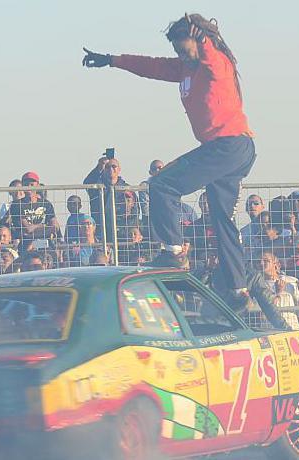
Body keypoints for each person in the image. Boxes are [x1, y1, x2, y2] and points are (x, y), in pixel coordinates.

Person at [83, 13, 256, 307]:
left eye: (185, 50)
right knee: (221, 219)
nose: (181, 56)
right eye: (177, 51)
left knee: (162, 184)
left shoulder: (217, 64)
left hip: (229, 146)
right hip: (226, 150)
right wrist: (112, 60)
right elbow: (149, 66)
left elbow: (211, 58)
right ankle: (239, 291)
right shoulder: (183, 68)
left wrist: (202, 41)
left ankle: (174, 251)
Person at [83, 155, 136, 241]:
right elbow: (87, 183)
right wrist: (98, 168)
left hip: (123, 233)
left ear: (119, 169)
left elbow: (135, 212)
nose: (111, 169)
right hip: (101, 233)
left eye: (114, 166)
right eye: (107, 167)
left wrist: (132, 228)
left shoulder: (127, 189)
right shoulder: (97, 188)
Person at [8, 172, 61, 249]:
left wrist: (35, 227)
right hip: (26, 245)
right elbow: (28, 229)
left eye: (32, 184)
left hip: (46, 245)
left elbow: (54, 227)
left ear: (38, 185)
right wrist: (45, 227)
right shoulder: (16, 205)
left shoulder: (46, 204)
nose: (29, 187)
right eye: (26, 184)